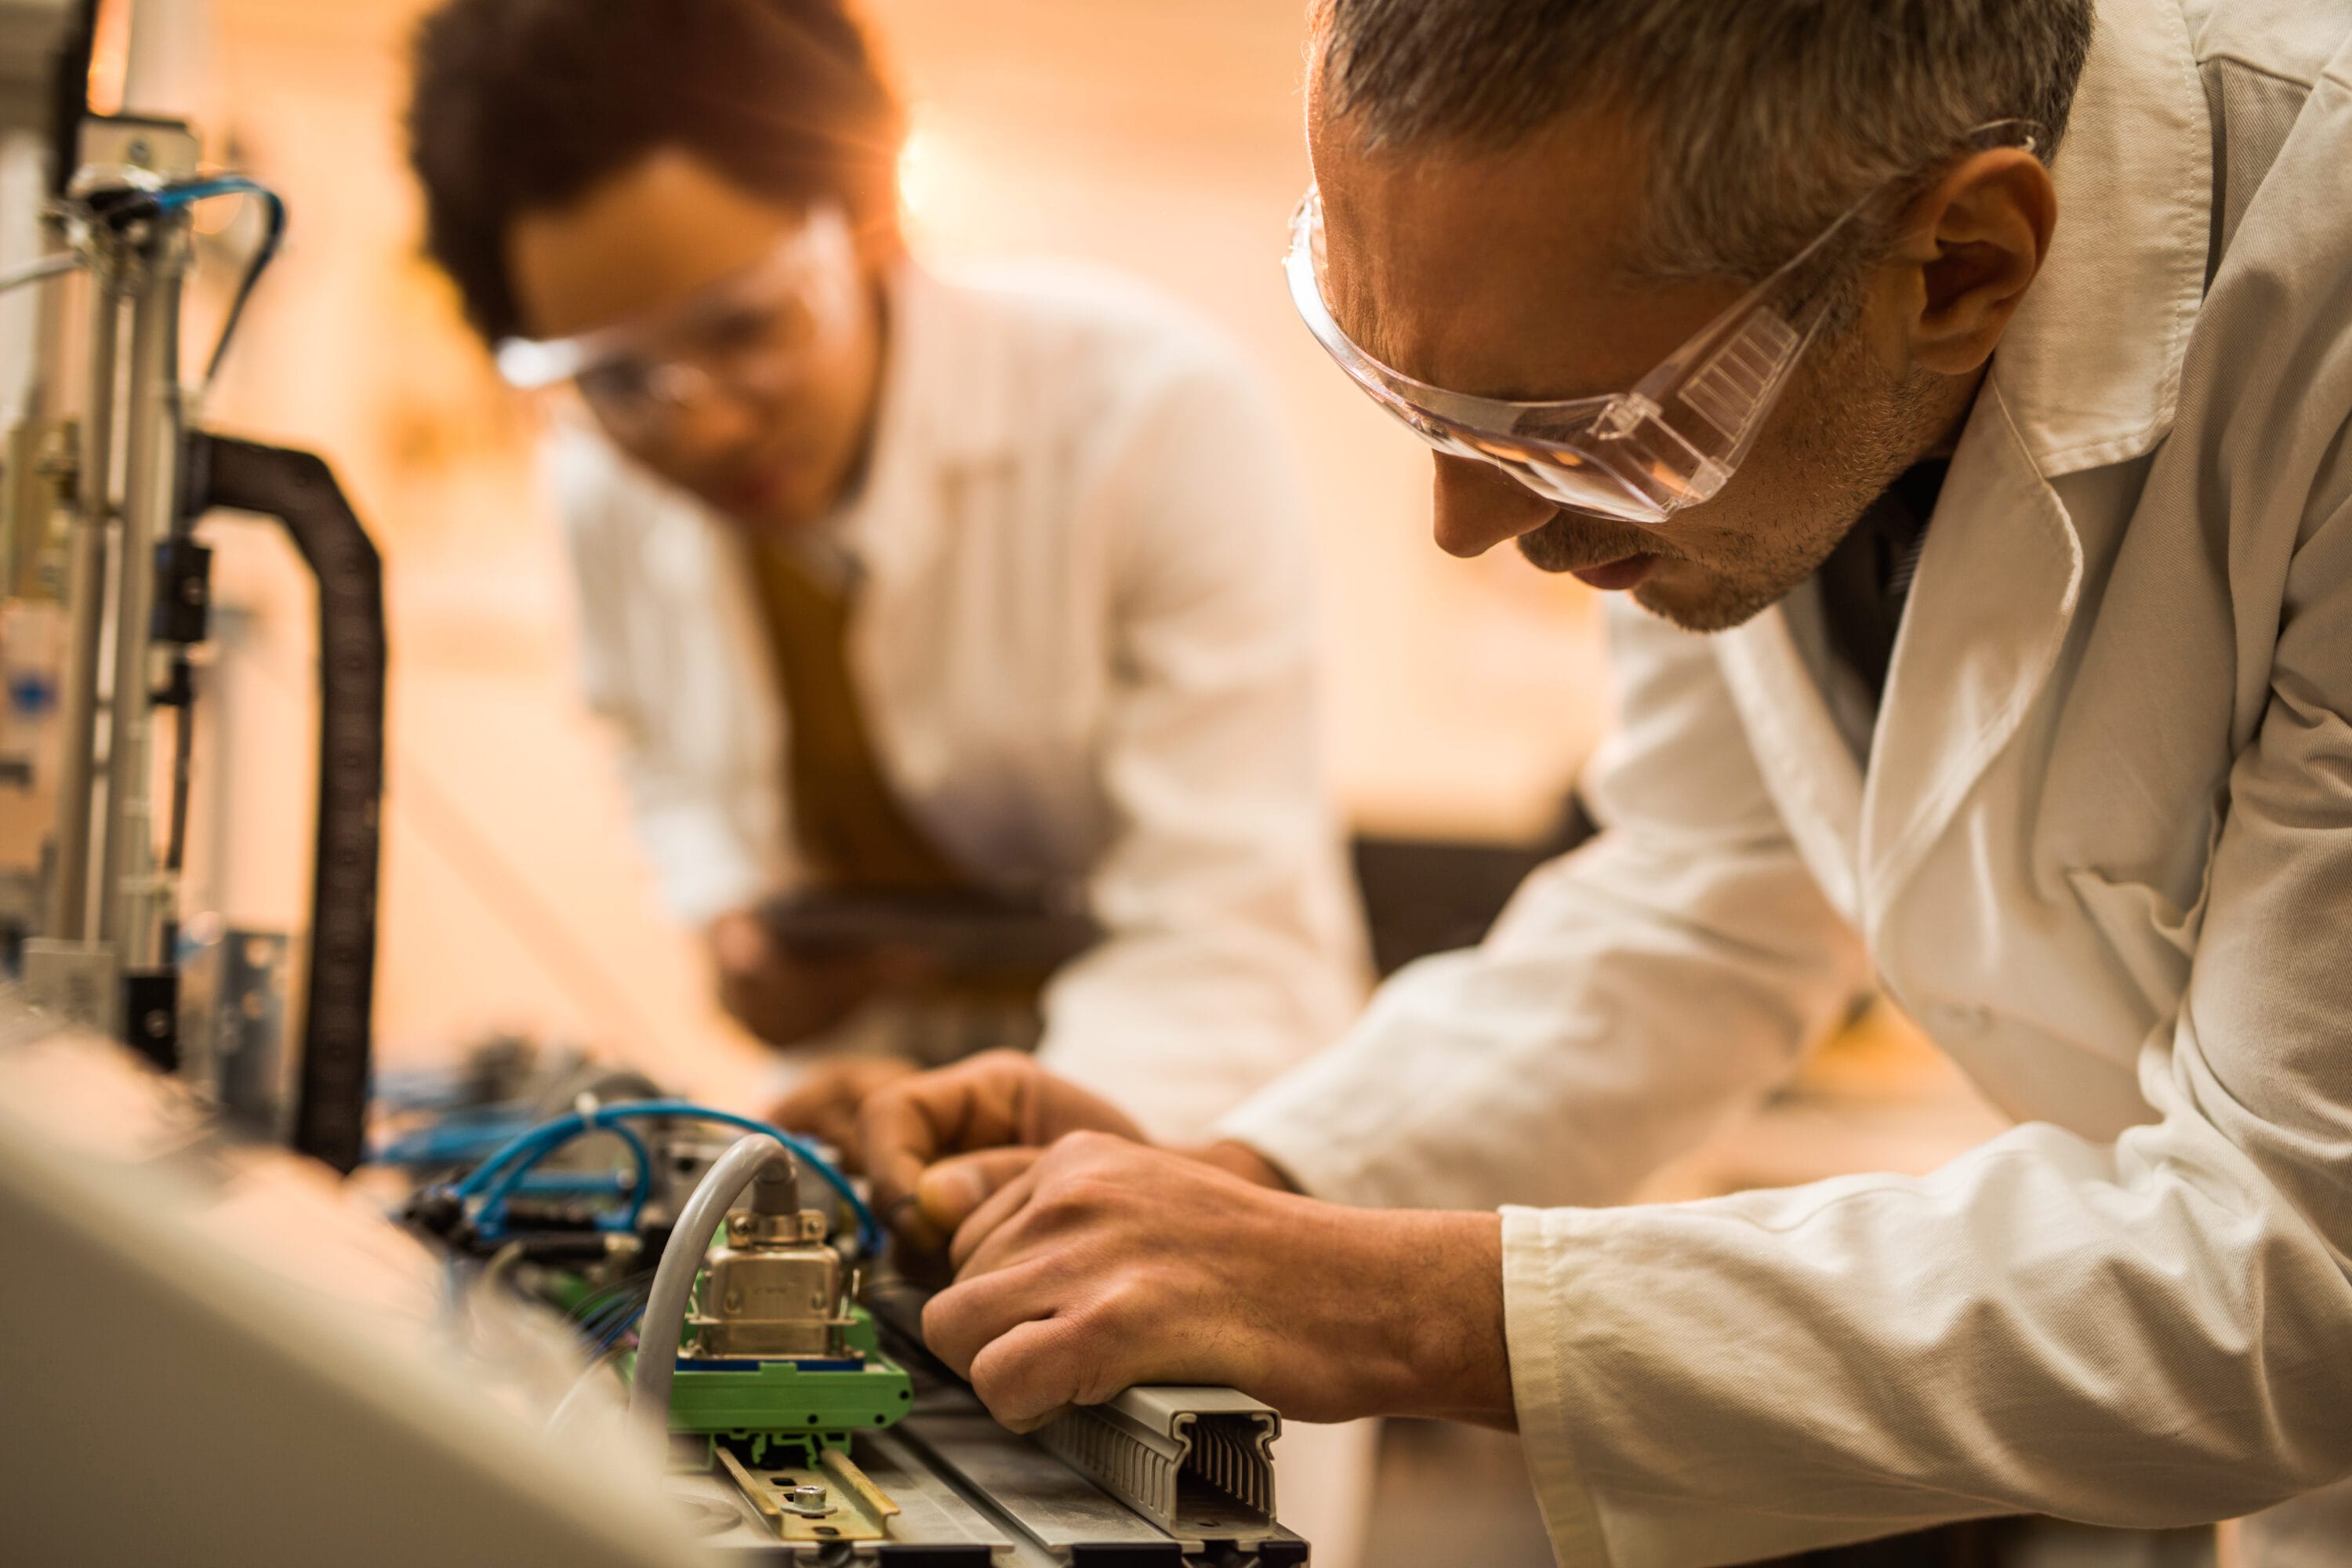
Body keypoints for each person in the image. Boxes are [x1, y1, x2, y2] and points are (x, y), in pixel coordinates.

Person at [854, 0, 2352, 1563]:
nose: (1463, 523)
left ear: (1964, 266)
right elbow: (1704, 903)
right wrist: (1249, 1186)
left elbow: (2306, 1269)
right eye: (1415, 403)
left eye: (1566, 434)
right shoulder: (1750, 371)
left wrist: (1391, 1303)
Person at [401, 0, 1369, 1151]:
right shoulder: (600, 486)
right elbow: (645, 738)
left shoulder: (1150, 415)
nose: (702, 426)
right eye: (619, 381)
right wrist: (723, 917)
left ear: (870, 225)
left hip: (1186, 1109)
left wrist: (1008, 1127)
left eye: (747, 327)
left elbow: (1224, 928)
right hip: (863, 1109)